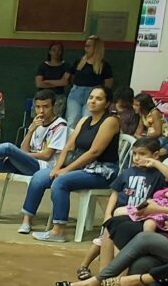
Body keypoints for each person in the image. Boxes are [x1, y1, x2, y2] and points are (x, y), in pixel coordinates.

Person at [22, 86, 121, 242]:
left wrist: (65, 170)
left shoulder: (110, 121)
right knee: (40, 177)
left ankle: (58, 231)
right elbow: (68, 146)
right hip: (82, 167)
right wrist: (56, 168)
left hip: (102, 171)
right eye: (91, 97)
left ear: (108, 103)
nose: (93, 101)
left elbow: (94, 152)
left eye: (99, 98)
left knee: (61, 182)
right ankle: (26, 220)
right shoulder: (84, 120)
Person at [0, 89, 69, 225]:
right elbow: (24, 150)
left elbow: (47, 155)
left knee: (8, 148)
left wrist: (16, 154)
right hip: (27, 164)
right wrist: (31, 130)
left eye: (46, 107)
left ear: (53, 106)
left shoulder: (60, 126)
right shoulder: (37, 124)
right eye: (38, 107)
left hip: (43, 169)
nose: (41, 111)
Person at [74, 137, 168, 284]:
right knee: (101, 240)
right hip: (121, 214)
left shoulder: (158, 175)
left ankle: (114, 280)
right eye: (135, 154)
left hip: (140, 217)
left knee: (114, 236)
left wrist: (156, 163)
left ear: (155, 154)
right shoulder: (127, 172)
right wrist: (107, 214)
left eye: (142, 154)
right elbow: (115, 193)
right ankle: (85, 266)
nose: (137, 158)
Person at [67, 35, 114, 129]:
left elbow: (108, 84)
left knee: (87, 119)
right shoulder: (79, 61)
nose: (85, 48)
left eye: (89, 46)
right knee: (72, 120)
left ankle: (83, 142)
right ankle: (70, 142)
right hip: (76, 92)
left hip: (93, 94)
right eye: (85, 46)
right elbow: (71, 77)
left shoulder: (103, 65)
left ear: (96, 48)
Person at [35, 41, 70, 116]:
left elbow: (64, 82)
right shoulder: (43, 66)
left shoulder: (66, 66)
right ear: (49, 51)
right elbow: (39, 83)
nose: (56, 53)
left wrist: (47, 81)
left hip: (58, 97)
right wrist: (58, 82)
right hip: (42, 96)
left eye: (59, 50)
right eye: (54, 50)